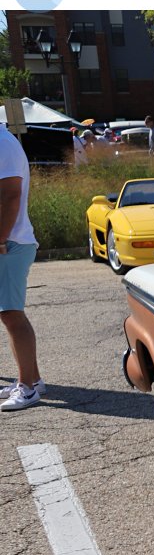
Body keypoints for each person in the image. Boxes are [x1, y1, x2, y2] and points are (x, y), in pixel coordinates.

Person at [0, 120, 44, 412]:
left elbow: (11, 195)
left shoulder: (2, 144)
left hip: (10, 243)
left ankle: (27, 388)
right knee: (9, 314)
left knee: (12, 315)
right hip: (10, 242)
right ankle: (33, 380)